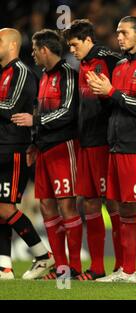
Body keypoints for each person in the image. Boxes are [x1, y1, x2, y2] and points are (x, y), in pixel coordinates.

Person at [86, 16, 136, 283]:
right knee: (124, 208)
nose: (118, 37)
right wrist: (104, 94)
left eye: (124, 32)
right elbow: (118, 103)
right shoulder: (120, 64)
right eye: (116, 32)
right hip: (117, 145)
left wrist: (111, 93)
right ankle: (128, 271)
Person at [11, 28, 79, 279]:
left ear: (44, 50)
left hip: (64, 146)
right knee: (47, 206)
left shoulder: (68, 75)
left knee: (66, 206)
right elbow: (41, 113)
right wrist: (34, 143)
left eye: (34, 50)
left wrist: (35, 120)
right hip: (45, 149)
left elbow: (68, 112)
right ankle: (59, 266)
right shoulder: (43, 76)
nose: (32, 55)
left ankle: (75, 267)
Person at [63, 19, 123, 281]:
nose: (72, 51)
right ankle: (97, 268)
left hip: (104, 142)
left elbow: (120, 95)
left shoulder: (109, 60)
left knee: (112, 202)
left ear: (88, 40)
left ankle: (122, 267)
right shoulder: (82, 66)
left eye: (75, 45)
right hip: (85, 142)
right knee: (89, 203)